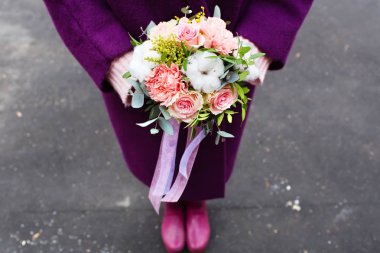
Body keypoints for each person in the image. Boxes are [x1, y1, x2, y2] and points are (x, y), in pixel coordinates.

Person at [42, 1, 313, 252]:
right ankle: (172, 201)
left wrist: (262, 35)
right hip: (134, 44)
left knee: (211, 134)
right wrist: (109, 52)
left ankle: (196, 199)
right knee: (150, 141)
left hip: (230, 43)